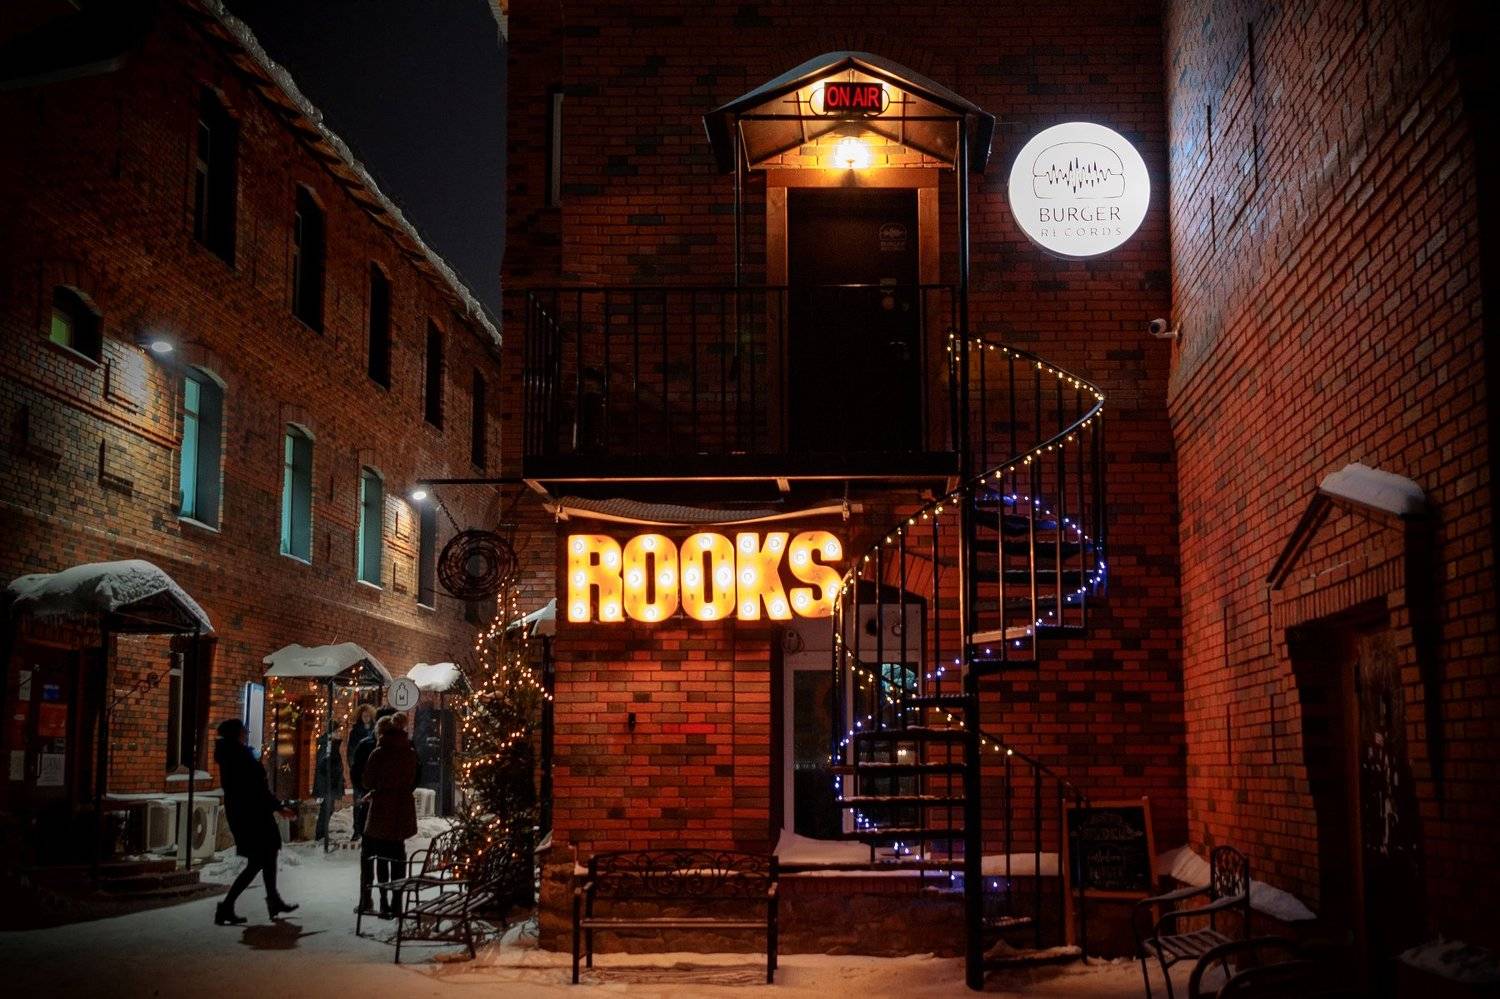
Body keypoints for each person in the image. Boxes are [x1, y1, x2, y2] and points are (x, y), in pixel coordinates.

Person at [213, 718, 298, 925]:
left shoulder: (232, 753)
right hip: (252, 815)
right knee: (259, 860)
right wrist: (278, 807)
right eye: (243, 730)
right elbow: (255, 788)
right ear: (236, 733)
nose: (246, 733)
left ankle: (272, 900)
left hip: (246, 813)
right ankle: (227, 906)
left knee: (267, 855)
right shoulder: (239, 755)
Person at [360, 714, 418, 918]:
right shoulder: (409, 753)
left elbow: (367, 781)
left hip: (382, 810)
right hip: (402, 810)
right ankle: (397, 902)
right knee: (398, 855)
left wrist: (379, 788)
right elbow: (413, 779)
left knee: (381, 856)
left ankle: (383, 902)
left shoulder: (379, 753)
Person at [349, 705, 392, 844]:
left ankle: (368, 831)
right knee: (359, 804)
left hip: (372, 776)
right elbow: (352, 753)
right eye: (364, 716)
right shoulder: (356, 732)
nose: (366, 718)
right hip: (363, 774)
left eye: (368, 715)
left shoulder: (375, 733)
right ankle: (358, 830)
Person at [313, 719, 345, 843]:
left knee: (328, 809)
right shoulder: (328, 746)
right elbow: (325, 765)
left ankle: (322, 833)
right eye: (338, 731)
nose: (340, 734)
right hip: (328, 783)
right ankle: (321, 834)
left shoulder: (332, 745)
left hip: (330, 782)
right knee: (326, 809)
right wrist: (333, 778)